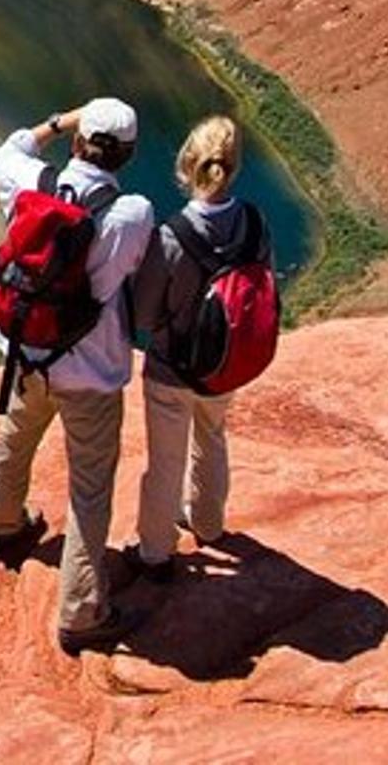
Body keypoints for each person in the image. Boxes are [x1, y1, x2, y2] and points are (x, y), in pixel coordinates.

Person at [0, 97, 155, 655]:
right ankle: (81, 612)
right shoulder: (132, 212)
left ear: (80, 141)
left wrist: (60, 121)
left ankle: (5, 527)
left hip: (26, 353)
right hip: (92, 373)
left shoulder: (32, 183)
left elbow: (8, 148)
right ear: (127, 154)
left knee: (16, 435)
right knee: (89, 488)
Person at [124, 115, 273, 581]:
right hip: (225, 365)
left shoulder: (170, 236)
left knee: (164, 463)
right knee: (212, 438)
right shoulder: (253, 222)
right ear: (233, 167)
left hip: (171, 370)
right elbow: (259, 288)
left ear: (188, 164)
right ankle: (208, 524)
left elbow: (145, 316)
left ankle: (155, 553)